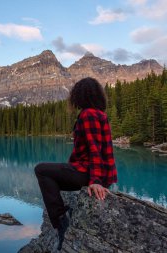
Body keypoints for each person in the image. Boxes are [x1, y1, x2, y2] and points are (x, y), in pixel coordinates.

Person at [34, 77, 118, 250]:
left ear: (80, 95)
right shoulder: (99, 114)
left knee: (41, 170)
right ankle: (62, 217)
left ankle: (60, 222)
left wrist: (95, 181)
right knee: (52, 177)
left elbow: (95, 149)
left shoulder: (88, 114)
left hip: (89, 173)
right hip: (99, 173)